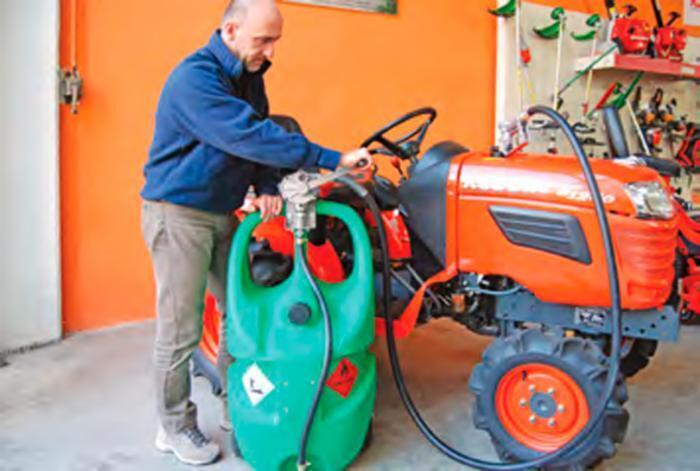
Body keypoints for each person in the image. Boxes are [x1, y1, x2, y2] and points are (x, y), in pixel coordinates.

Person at [140, 0, 372, 465]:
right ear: (230, 31)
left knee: (240, 315)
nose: (270, 52)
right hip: (179, 214)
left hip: (223, 213)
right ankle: (174, 426)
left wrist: (266, 185)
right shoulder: (195, 79)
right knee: (181, 329)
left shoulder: (250, 77)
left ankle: (239, 404)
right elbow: (245, 135)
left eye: (275, 41)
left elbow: (259, 141)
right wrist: (331, 158)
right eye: (263, 40)